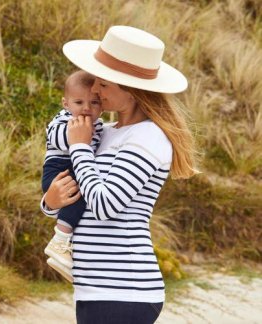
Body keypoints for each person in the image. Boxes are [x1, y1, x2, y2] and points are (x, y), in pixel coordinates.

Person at [40, 25, 197, 324]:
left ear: (133, 90)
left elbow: (104, 204)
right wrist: (50, 202)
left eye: (104, 85)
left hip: (125, 290)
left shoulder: (148, 137)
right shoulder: (105, 132)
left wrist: (80, 147)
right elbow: (79, 197)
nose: (94, 91)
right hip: (93, 289)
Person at [42, 70, 103, 282]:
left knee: (83, 195)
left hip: (77, 169)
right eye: (79, 102)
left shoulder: (101, 127)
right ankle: (60, 240)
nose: (86, 108)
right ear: (66, 104)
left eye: (94, 103)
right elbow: (55, 136)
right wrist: (77, 137)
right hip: (58, 169)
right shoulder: (63, 119)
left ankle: (65, 249)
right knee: (79, 194)